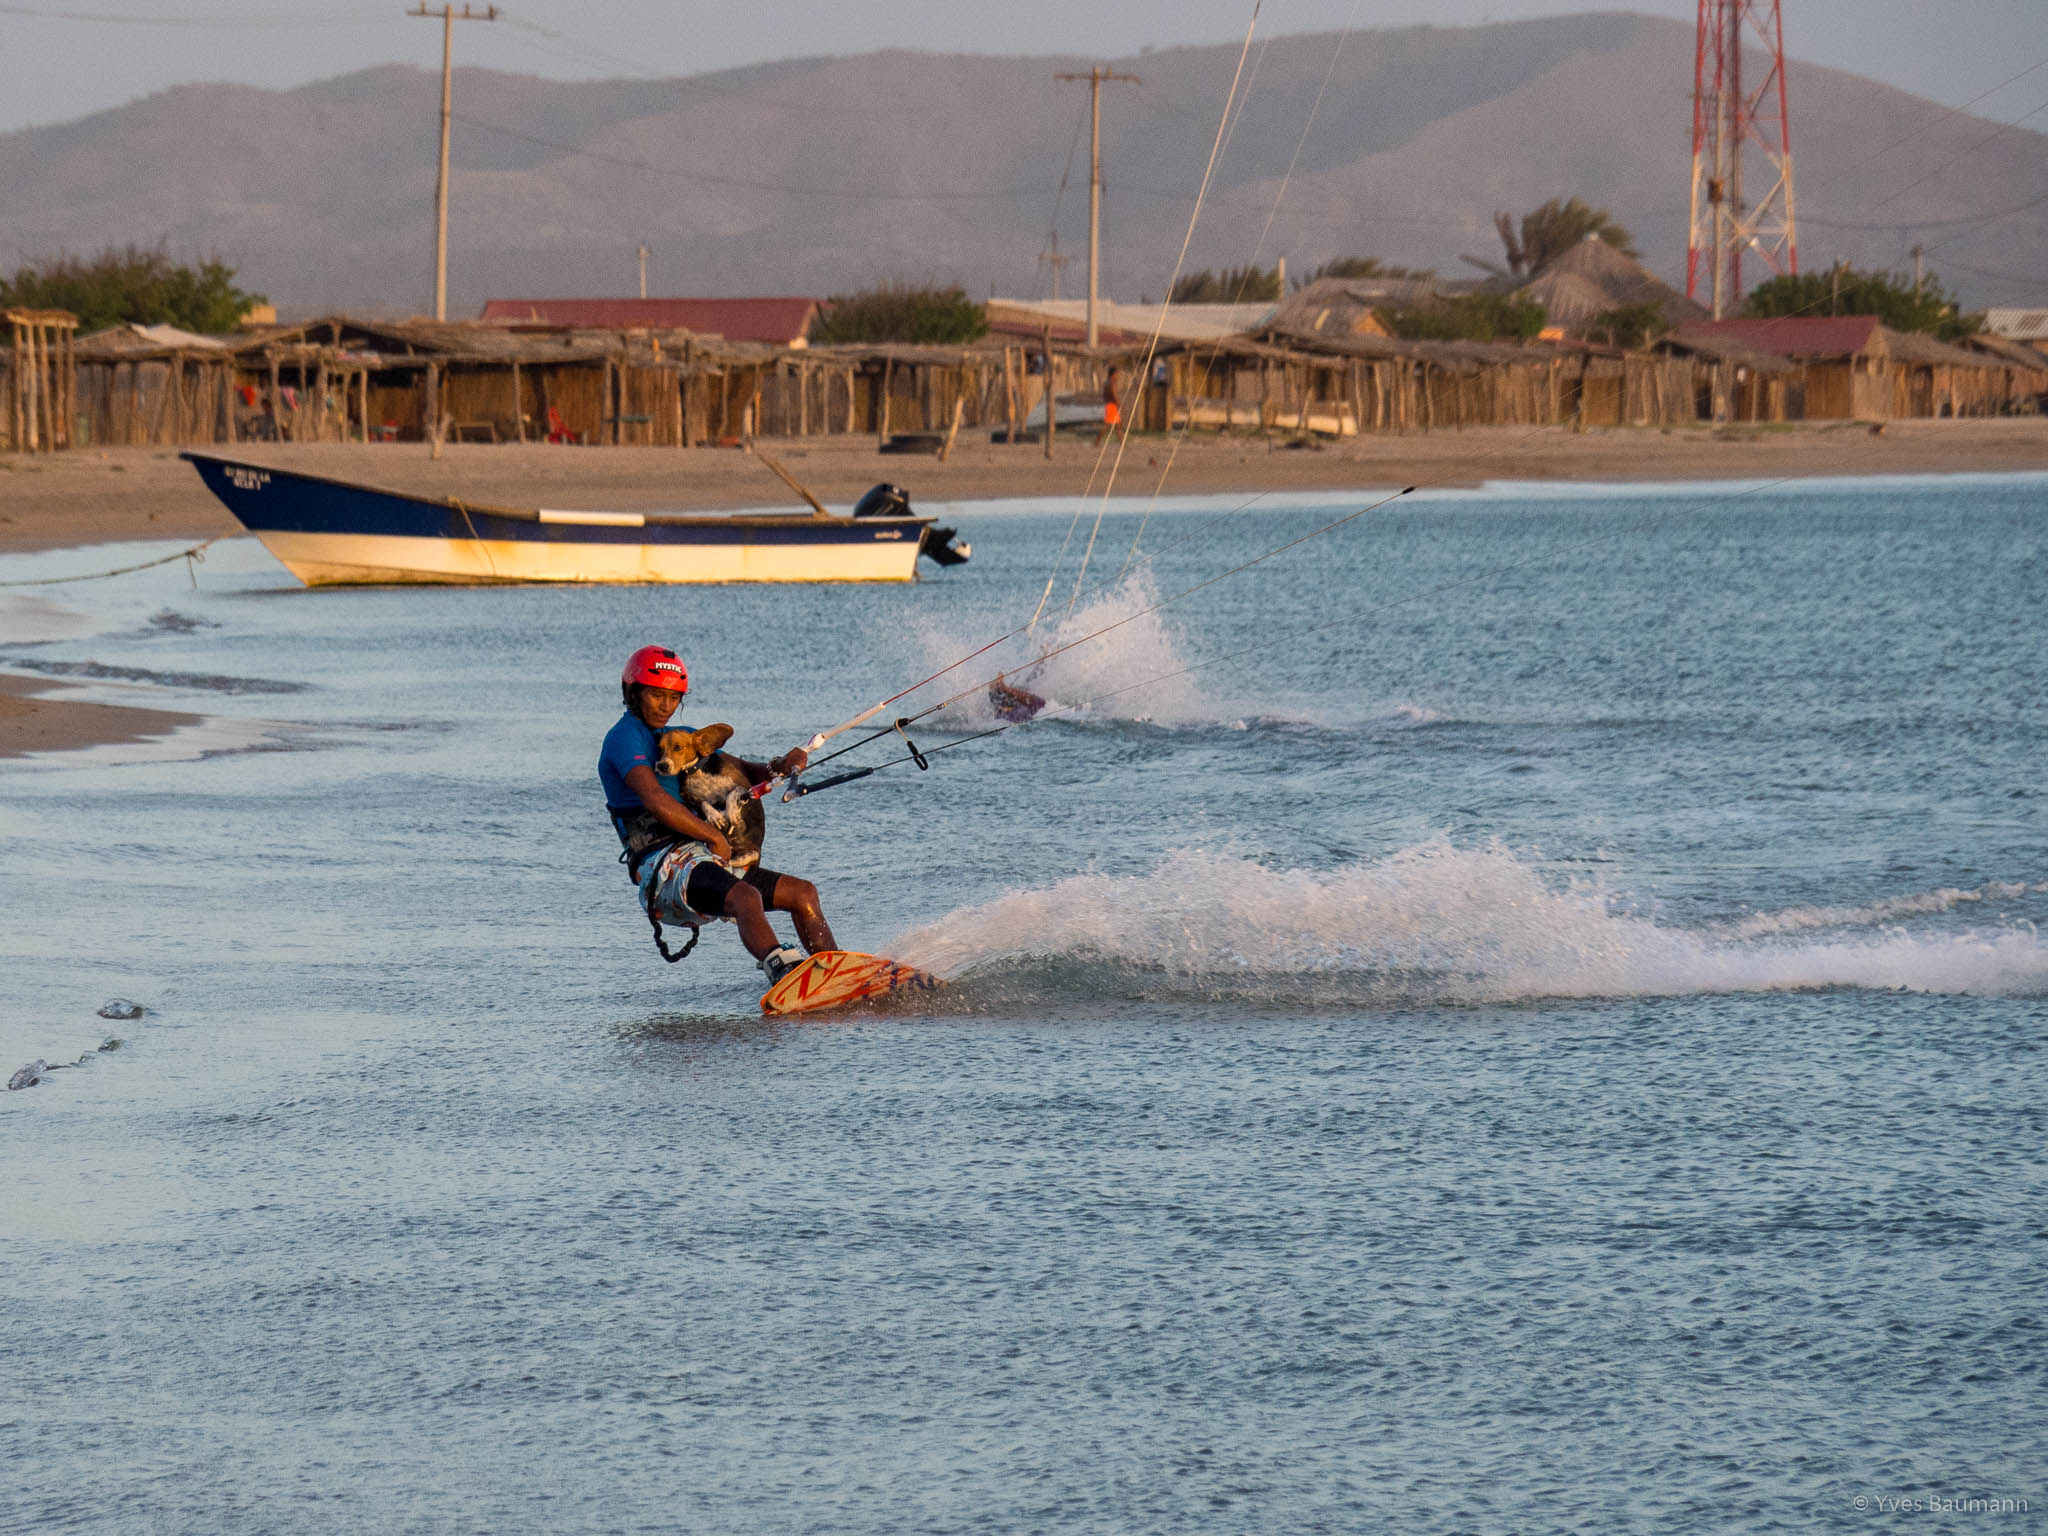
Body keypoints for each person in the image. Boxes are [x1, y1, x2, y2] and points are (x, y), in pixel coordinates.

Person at [599, 645, 835, 985]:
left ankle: (836, 974)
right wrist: (712, 835)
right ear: (633, 692)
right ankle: (784, 973)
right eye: (656, 695)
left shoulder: (681, 738)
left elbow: (741, 770)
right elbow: (654, 798)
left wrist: (781, 765)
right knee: (746, 898)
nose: (666, 706)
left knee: (803, 894)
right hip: (664, 866)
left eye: (674, 697)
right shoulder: (624, 737)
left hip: (705, 858)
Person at [1096, 364, 1124, 446]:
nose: (1118, 376)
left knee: (1118, 425)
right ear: (1113, 374)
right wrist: (1119, 404)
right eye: (1117, 374)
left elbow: (1105, 395)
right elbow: (1114, 395)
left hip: (1109, 405)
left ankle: (1122, 443)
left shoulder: (1107, 383)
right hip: (1112, 406)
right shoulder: (1112, 383)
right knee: (1108, 425)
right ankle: (1097, 442)